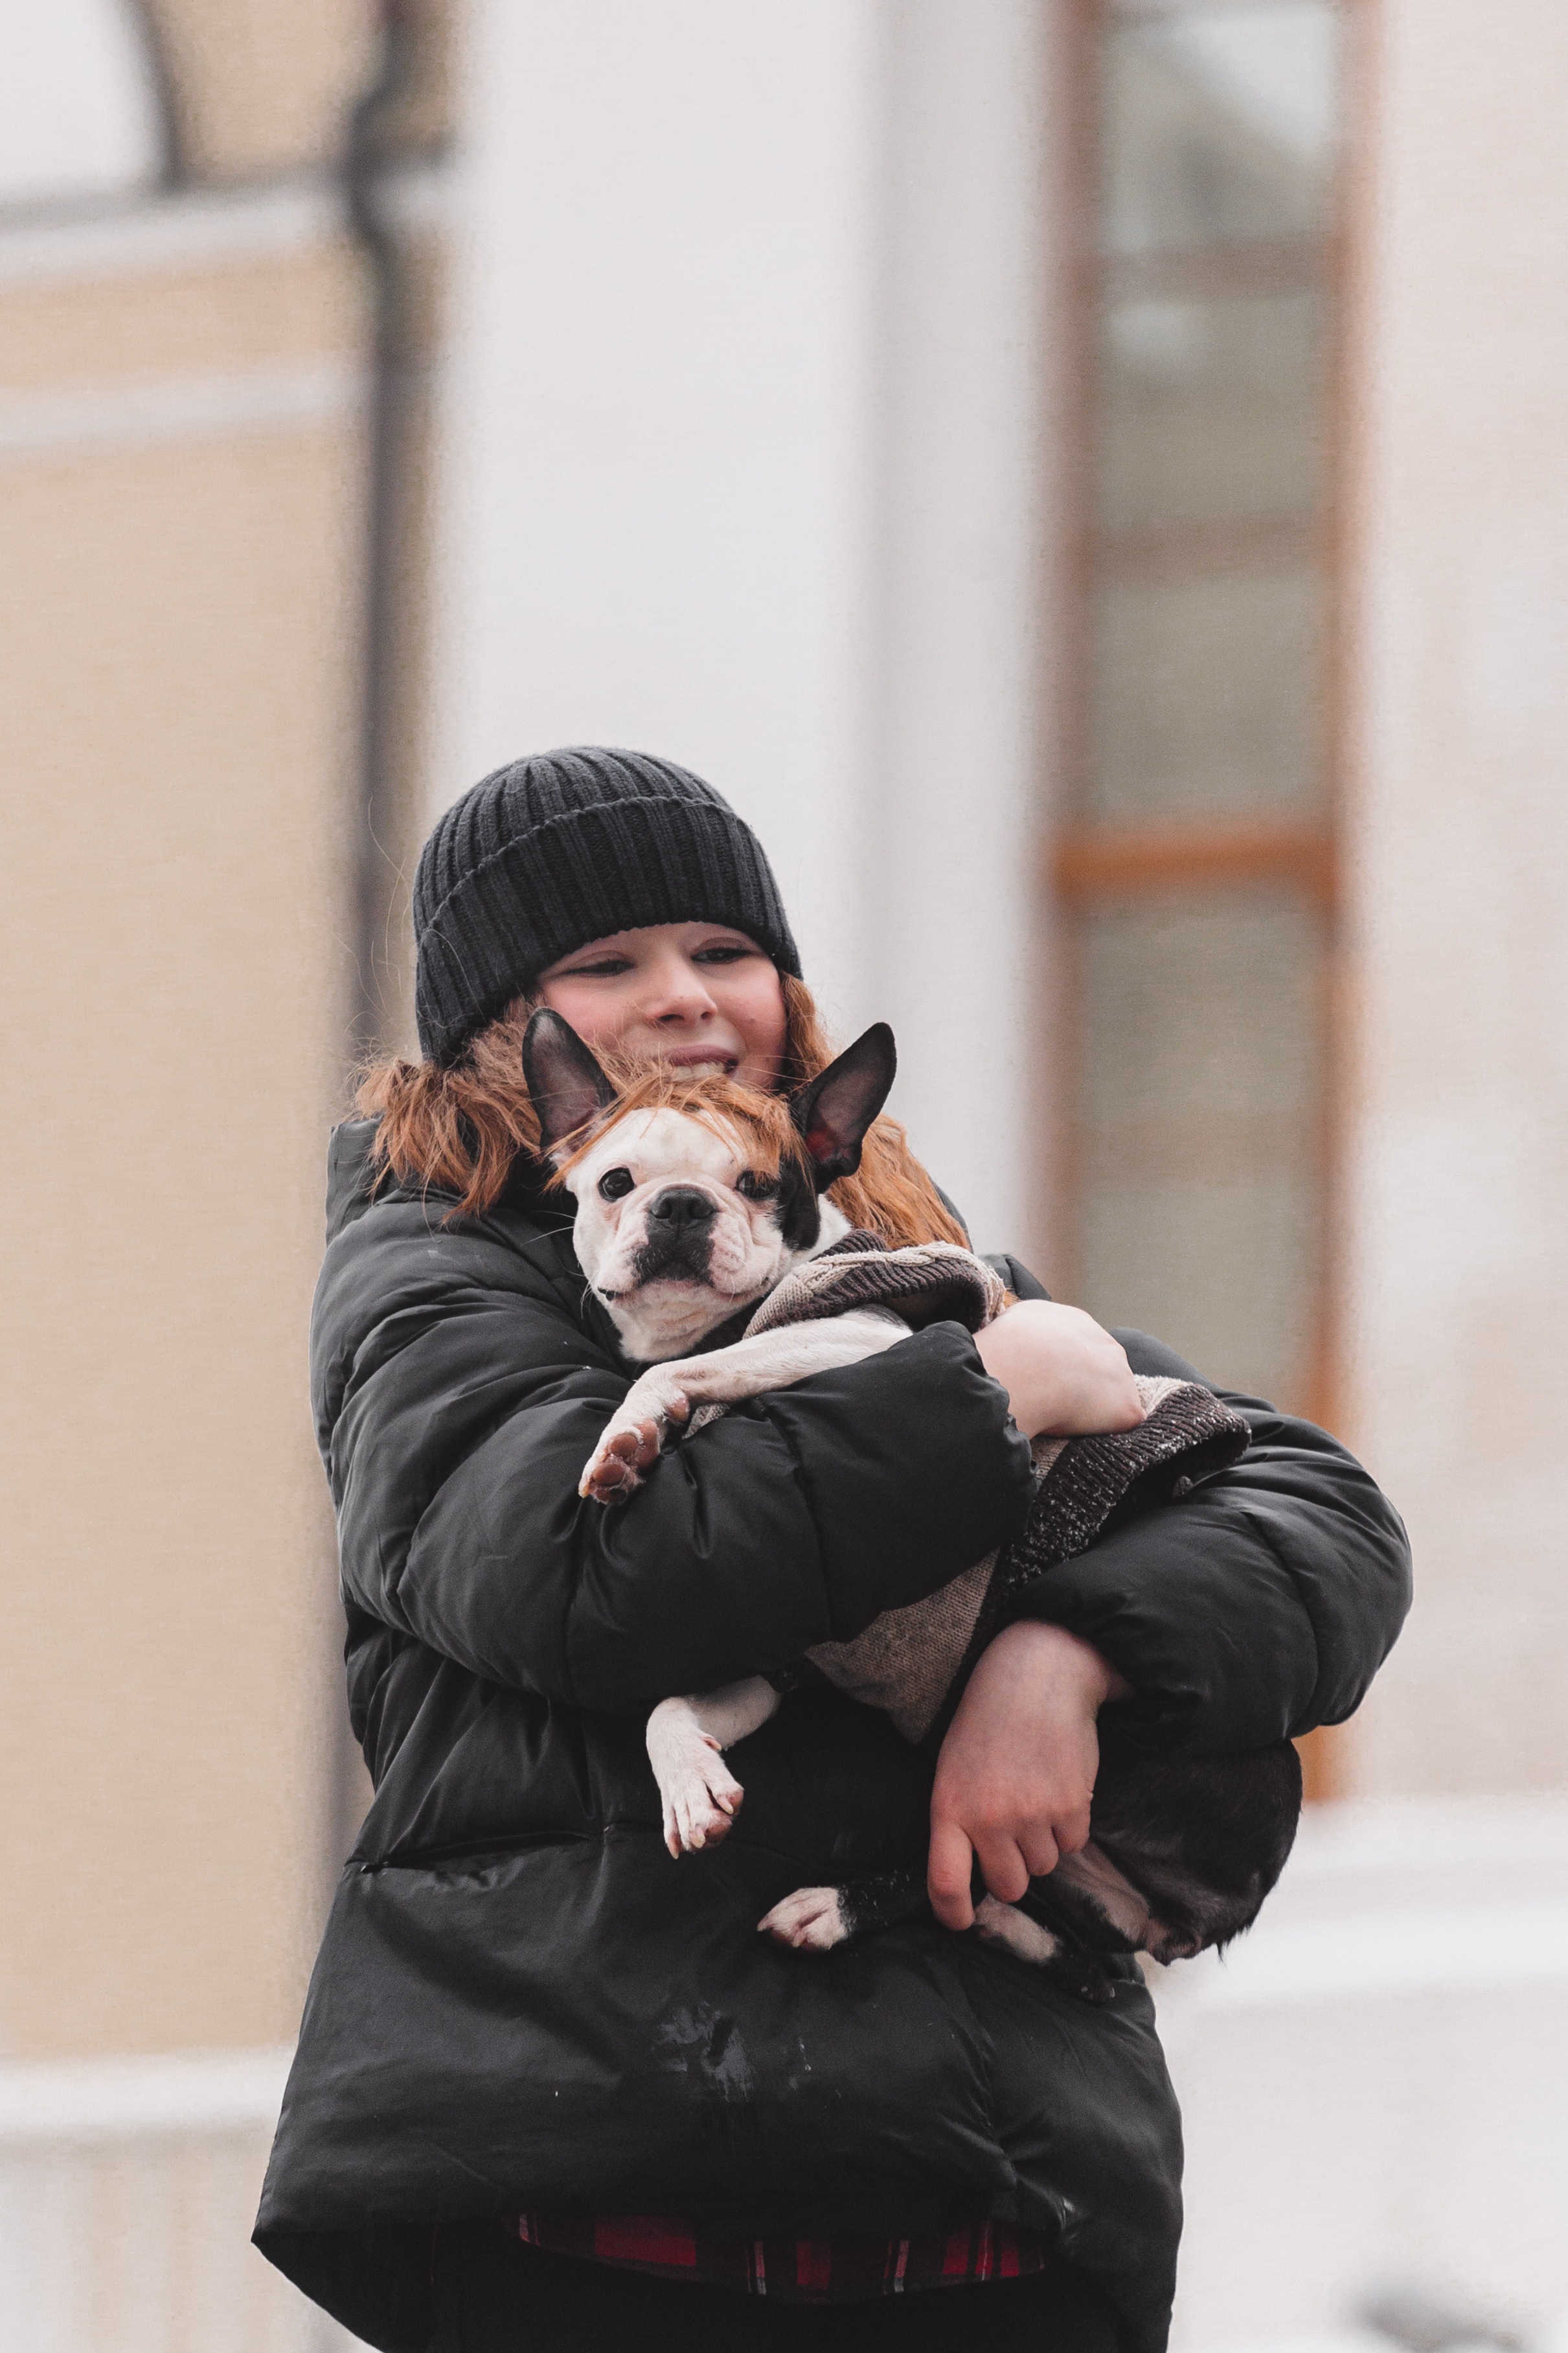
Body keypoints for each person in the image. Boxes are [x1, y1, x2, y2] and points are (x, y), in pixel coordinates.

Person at [254, 748, 1411, 2353]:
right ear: (506, 1039)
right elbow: (583, 1577)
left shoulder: (906, 1266)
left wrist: (1062, 1655)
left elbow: (1316, 1513)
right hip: (599, 2176)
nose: (682, 993)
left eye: (724, 949)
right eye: (606, 962)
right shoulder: (438, 1278)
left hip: (987, 2184)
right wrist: (986, 1398)